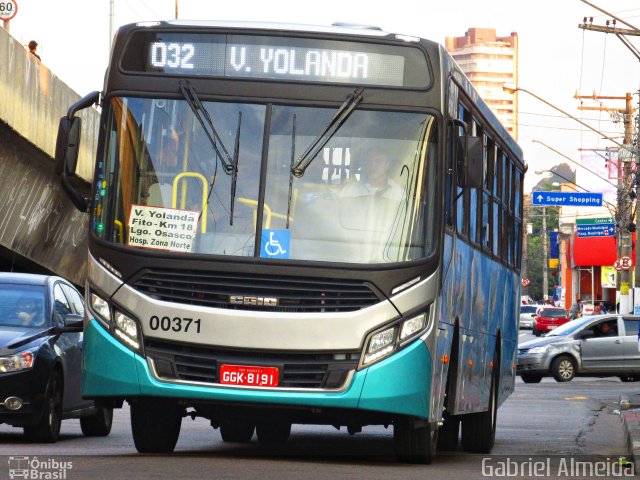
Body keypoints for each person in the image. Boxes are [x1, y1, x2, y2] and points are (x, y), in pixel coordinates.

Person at [340, 150, 405, 201]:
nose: (372, 166)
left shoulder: (398, 193)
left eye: (378, 161)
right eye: (369, 162)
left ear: (388, 165)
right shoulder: (350, 190)